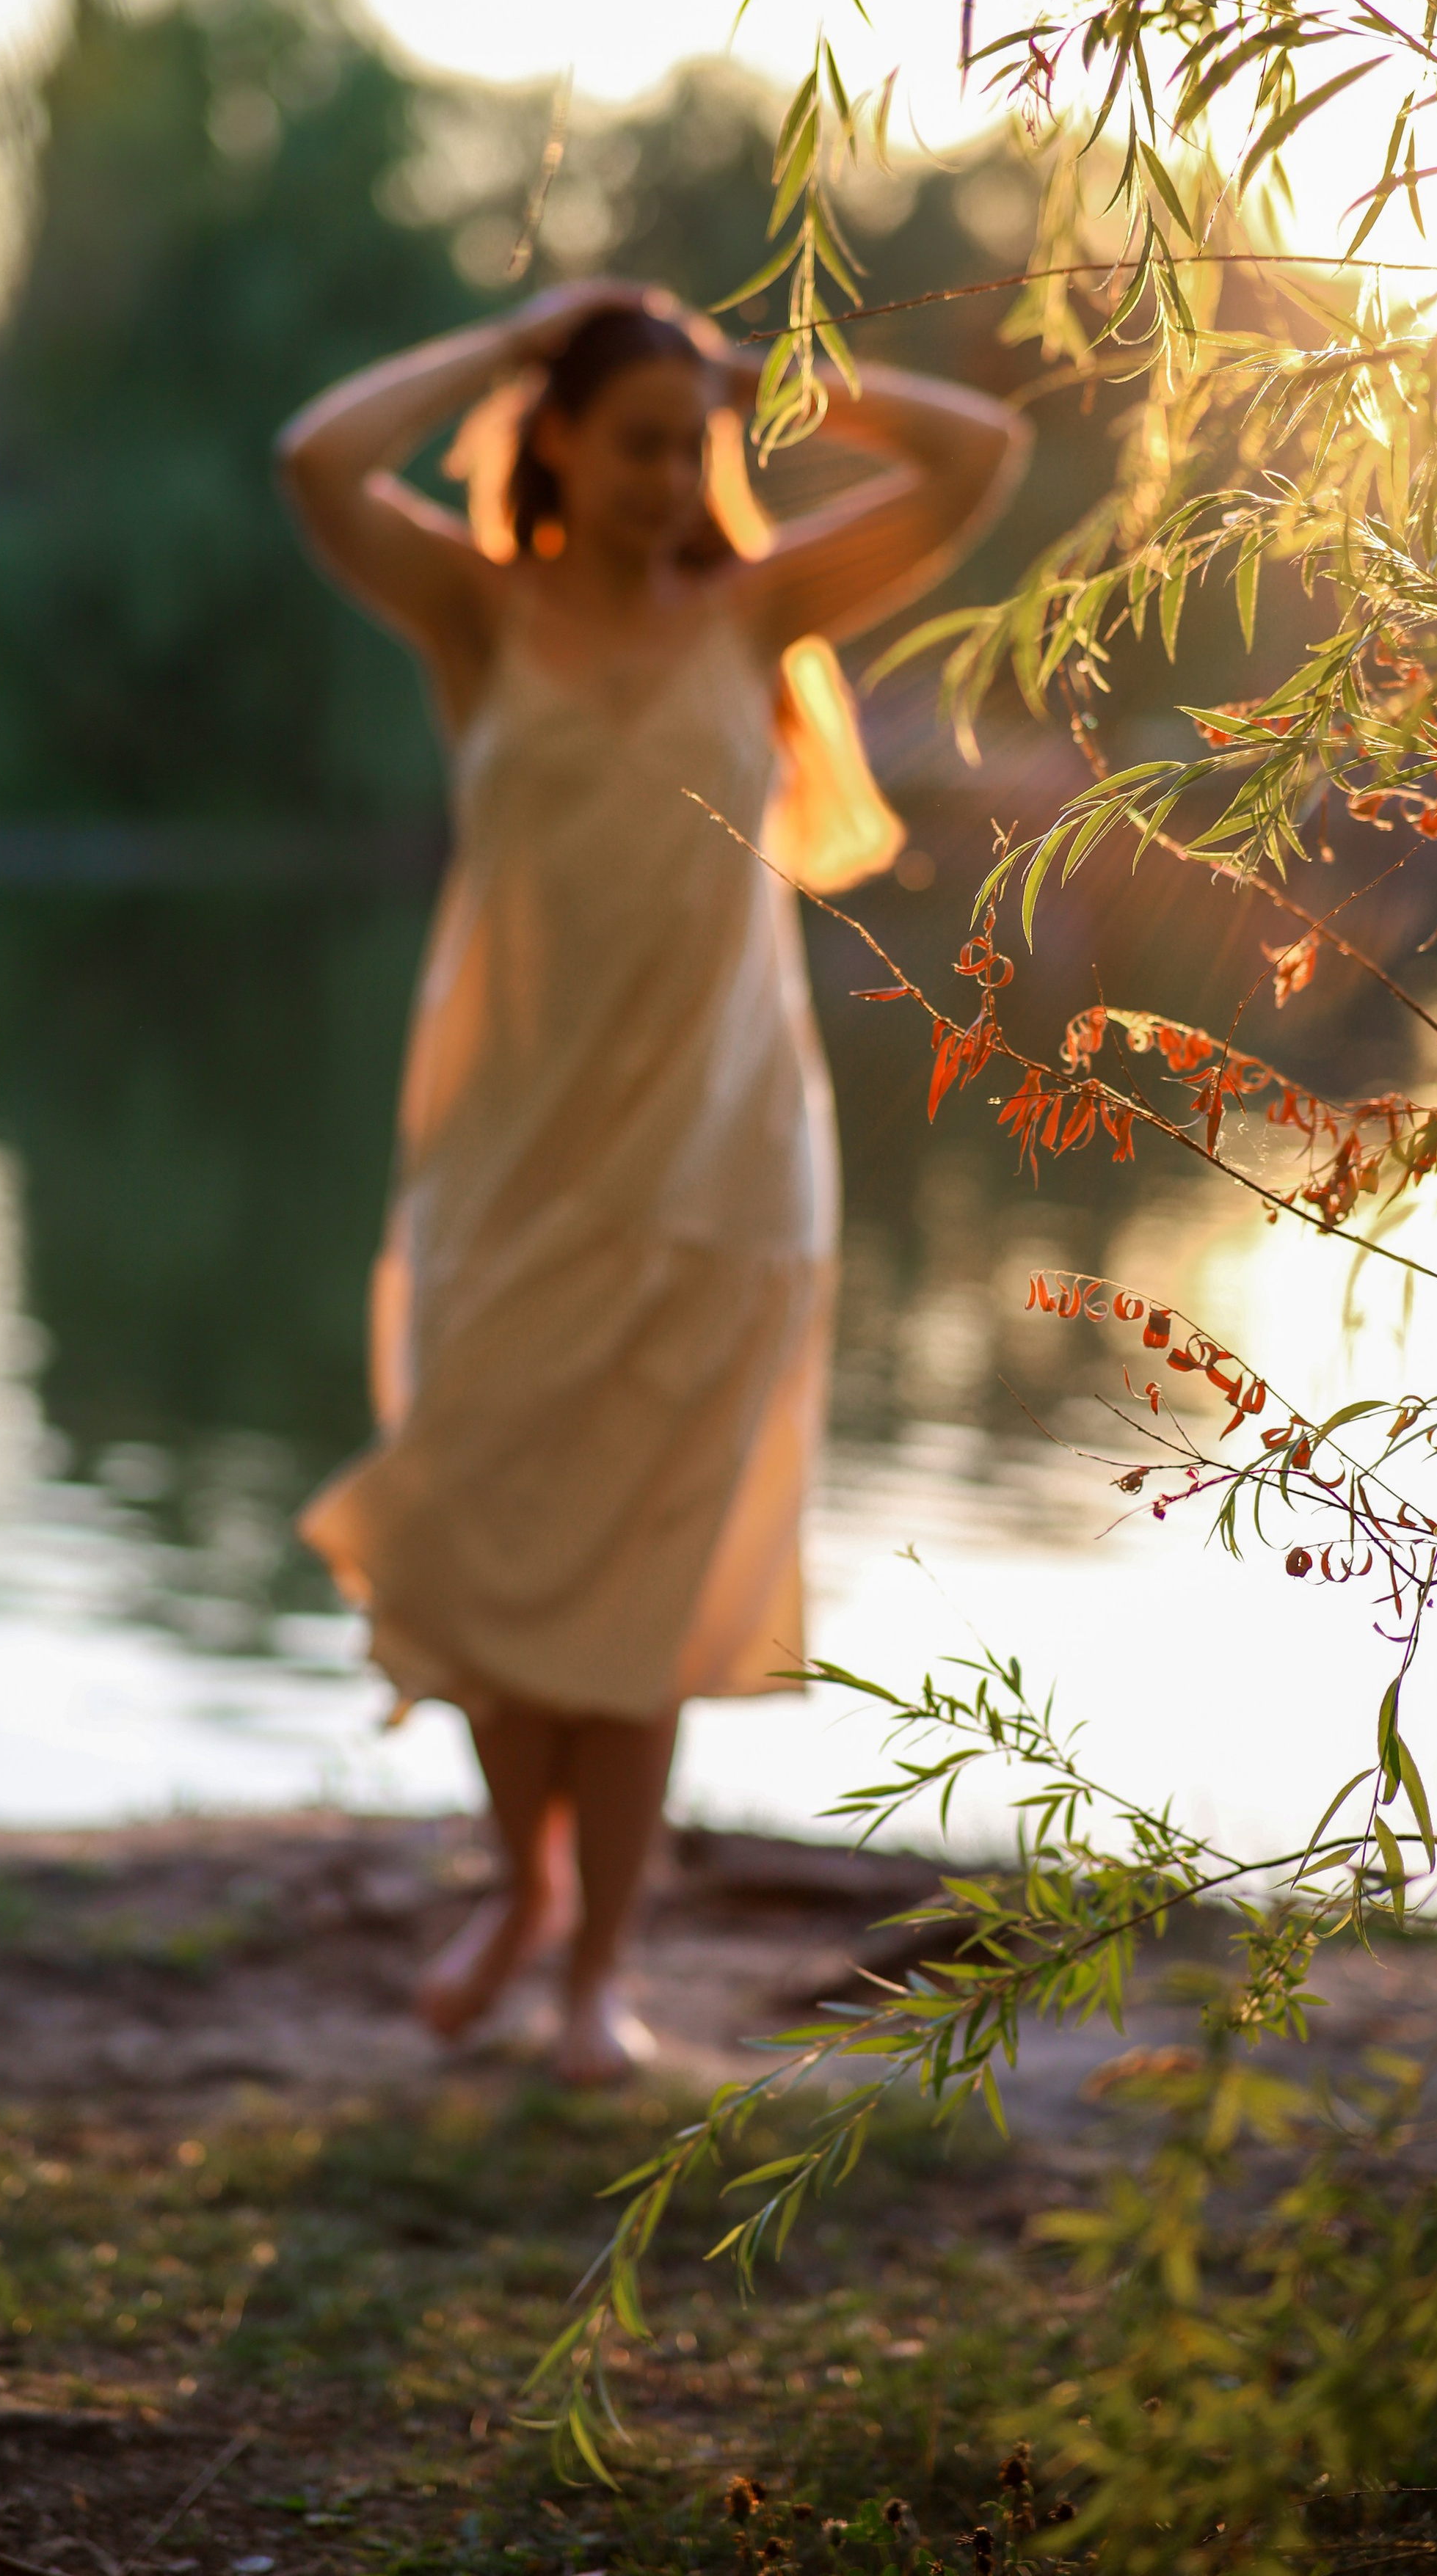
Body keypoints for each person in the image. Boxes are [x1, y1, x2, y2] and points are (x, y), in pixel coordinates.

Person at [279, 280, 1027, 2082]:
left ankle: (592, 1969)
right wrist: (513, 339)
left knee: (636, 1590)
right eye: (626, 440)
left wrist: (754, 374)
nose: (656, 475)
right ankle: (524, 1887)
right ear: (551, 441)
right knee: (472, 1541)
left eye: (680, 446)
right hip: (505, 1158)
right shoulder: (478, 609)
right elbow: (317, 460)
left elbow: (975, 453)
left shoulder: (754, 605)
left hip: (718, 1160)